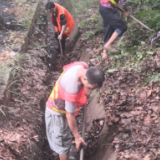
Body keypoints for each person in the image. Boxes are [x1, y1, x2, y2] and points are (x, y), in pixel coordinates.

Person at [45, 61, 105, 160]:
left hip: (62, 106)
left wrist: (86, 89)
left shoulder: (82, 66)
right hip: (57, 114)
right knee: (63, 144)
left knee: (66, 138)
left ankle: (67, 157)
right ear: (85, 79)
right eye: (90, 87)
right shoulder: (72, 88)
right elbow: (69, 116)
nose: (90, 91)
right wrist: (77, 137)